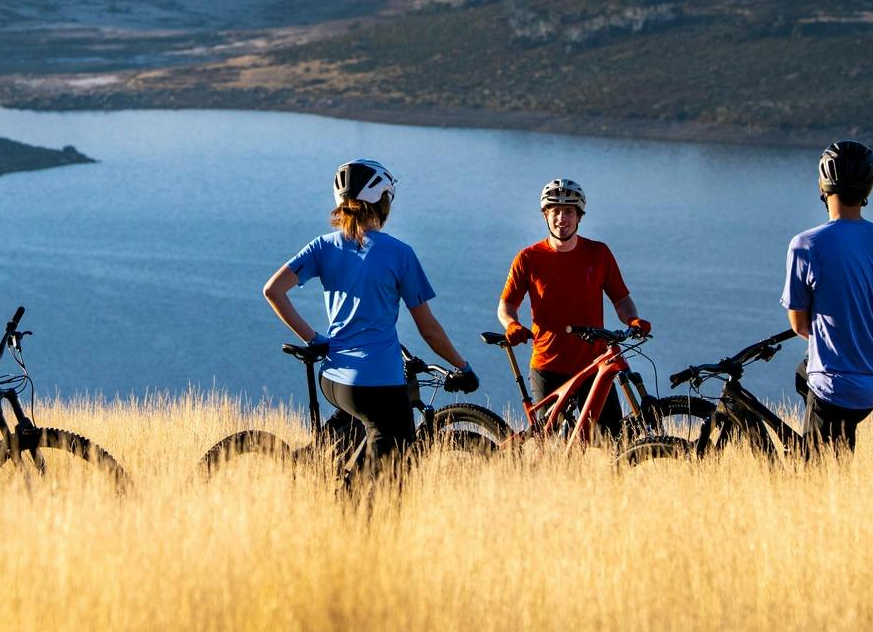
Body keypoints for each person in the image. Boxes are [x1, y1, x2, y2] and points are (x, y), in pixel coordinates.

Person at [262, 158, 478, 480]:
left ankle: (318, 481)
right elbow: (429, 329)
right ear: (383, 201)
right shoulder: (399, 253)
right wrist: (463, 368)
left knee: (352, 439)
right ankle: (359, 518)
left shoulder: (324, 245)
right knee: (391, 481)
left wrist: (315, 339)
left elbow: (273, 291)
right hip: (379, 383)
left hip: (333, 380)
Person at [781, 141, 873, 453]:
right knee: (804, 373)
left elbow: (799, 324)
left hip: (835, 385)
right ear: (868, 188)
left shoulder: (806, 244)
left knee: (817, 484)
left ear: (824, 187)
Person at [497, 177, 648, 435]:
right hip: (547, 364)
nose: (561, 219)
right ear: (545, 215)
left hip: (593, 364)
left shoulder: (598, 254)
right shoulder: (529, 258)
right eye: (555, 211)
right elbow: (507, 304)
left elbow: (621, 299)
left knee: (611, 437)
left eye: (569, 212)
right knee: (549, 441)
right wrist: (512, 324)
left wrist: (633, 319)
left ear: (579, 217)